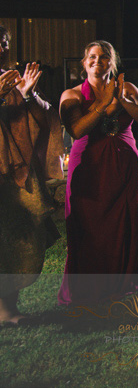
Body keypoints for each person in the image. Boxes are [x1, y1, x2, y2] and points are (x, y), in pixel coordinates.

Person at [58, 41, 138, 305]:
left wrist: (121, 99)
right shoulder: (72, 95)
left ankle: (124, 283)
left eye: (103, 57)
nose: (97, 61)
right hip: (89, 166)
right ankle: (88, 289)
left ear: (113, 62)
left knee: (125, 222)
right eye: (92, 57)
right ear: (84, 62)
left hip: (123, 165)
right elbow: (77, 130)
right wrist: (103, 103)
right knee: (90, 225)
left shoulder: (129, 88)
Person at [0, 26, 61, 323]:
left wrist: (27, 95)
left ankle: (9, 307)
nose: (1, 49)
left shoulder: (12, 80)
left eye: (4, 43)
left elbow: (45, 118)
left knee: (20, 236)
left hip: (17, 171)